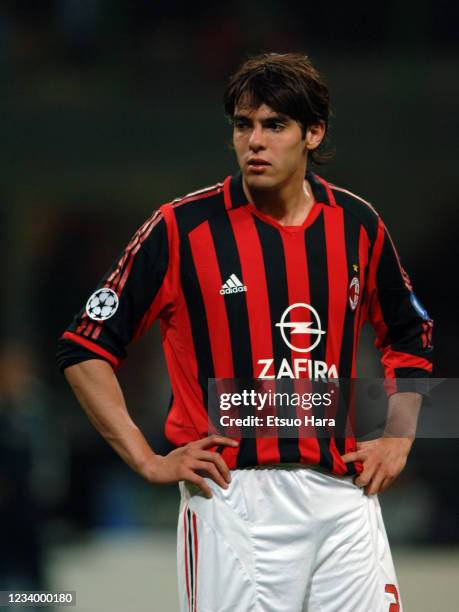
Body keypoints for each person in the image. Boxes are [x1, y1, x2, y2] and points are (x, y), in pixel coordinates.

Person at [57, 53, 433, 611]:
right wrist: (147, 459)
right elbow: (84, 347)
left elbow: (411, 333)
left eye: (274, 125)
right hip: (234, 498)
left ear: (313, 133)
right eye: (243, 124)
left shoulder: (359, 223)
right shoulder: (180, 227)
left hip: (342, 495)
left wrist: (400, 438)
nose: (254, 140)